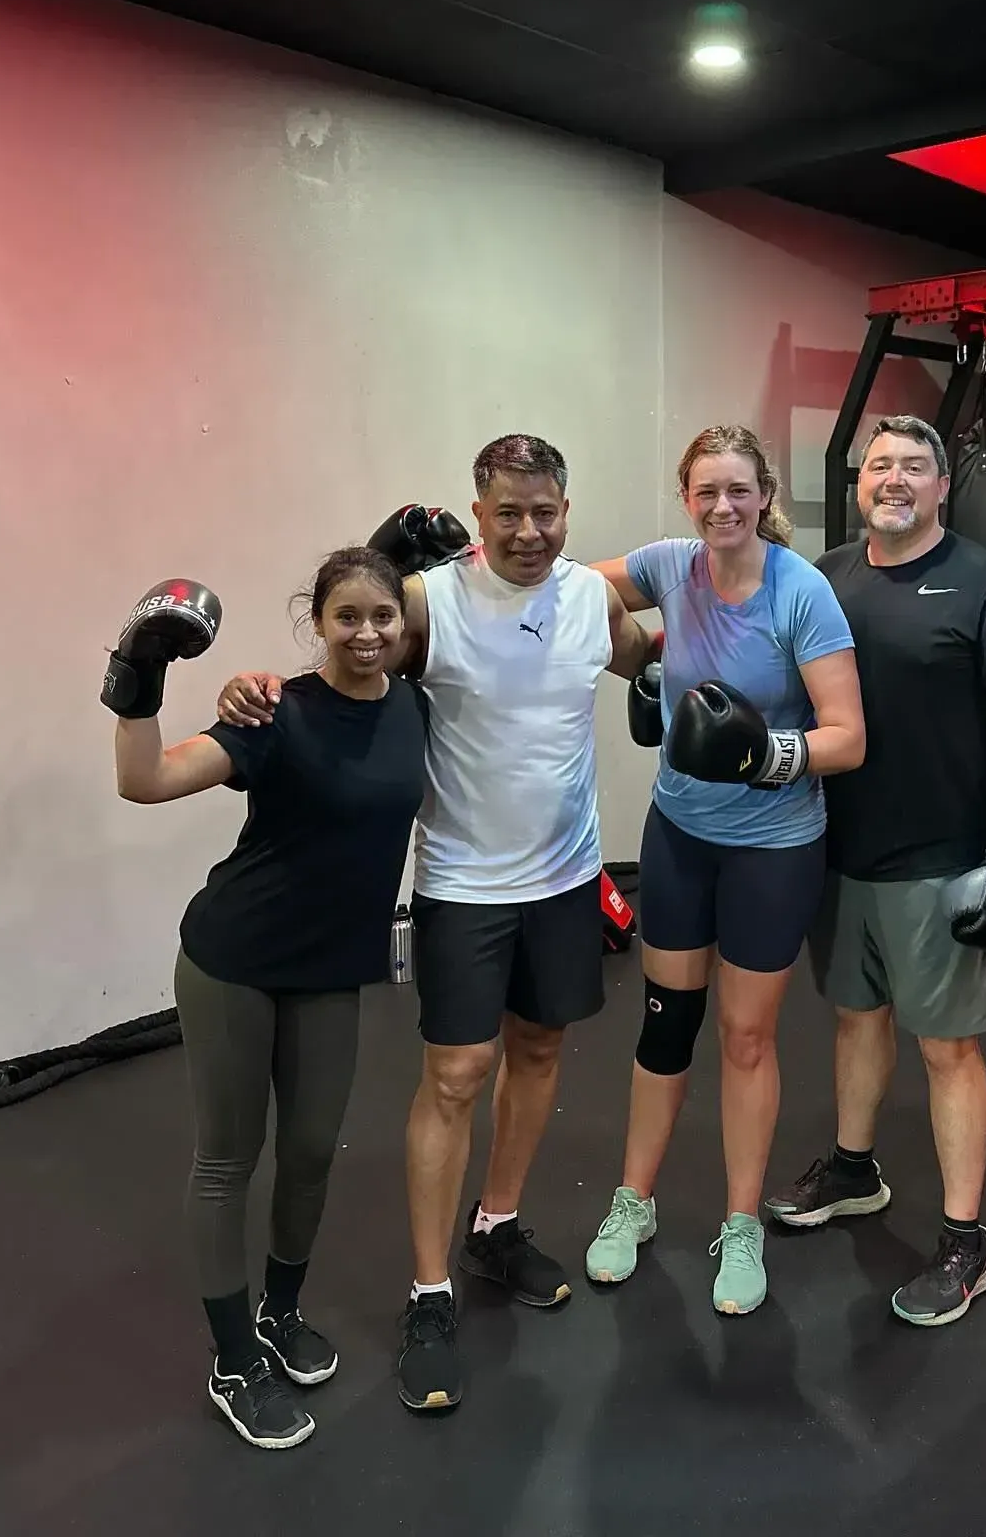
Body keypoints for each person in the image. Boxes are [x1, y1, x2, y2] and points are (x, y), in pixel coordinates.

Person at [213, 436, 656, 1413]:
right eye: (509, 513)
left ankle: (496, 1227)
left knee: (539, 1051)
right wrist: (257, 693)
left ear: (567, 510)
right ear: (479, 509)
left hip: (567, 875)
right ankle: (428, 1291)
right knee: (457, 1074)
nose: (529, 531)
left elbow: (653, 659)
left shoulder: (592, 598)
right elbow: (351, 649)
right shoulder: (432, 601)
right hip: (463, 881)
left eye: (546, 512)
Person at [105, 549, 428, 1451]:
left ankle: (279, 1313)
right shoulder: (276, 709)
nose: (366, 634)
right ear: (315, 623)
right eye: (345, 619)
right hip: (235, 960)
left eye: (382, 617)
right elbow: (146, 780)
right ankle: (232, 1358)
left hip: (331, 968)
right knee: (227, 1160)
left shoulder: (417, 706)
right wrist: (140, 675)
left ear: (403, 624)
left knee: (315, 1149)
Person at [762, 414, 986, 1331]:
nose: (894, 478)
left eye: (914, 467)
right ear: (859, 484)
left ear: (940, 486)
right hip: (837, 847)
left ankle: (968, 1239)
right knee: (855, 1018)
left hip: (941, 860)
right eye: (879, 464)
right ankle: (855, 1168)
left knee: (948, 1046)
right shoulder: (829, 576)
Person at [583, 424, 865, 1315]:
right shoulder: (671, 566)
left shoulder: (802, 592)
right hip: (680, 834)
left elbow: (847, 736)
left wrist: (762, 755)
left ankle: (741, 1223)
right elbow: (568, 588)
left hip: (773, 848)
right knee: (666, 1026)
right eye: (706, 491)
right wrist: (634, 653)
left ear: (764, 493)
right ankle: (634, 1203)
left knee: (745, 1039)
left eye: (738, 490)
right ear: (686, 496)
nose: (722, 506)